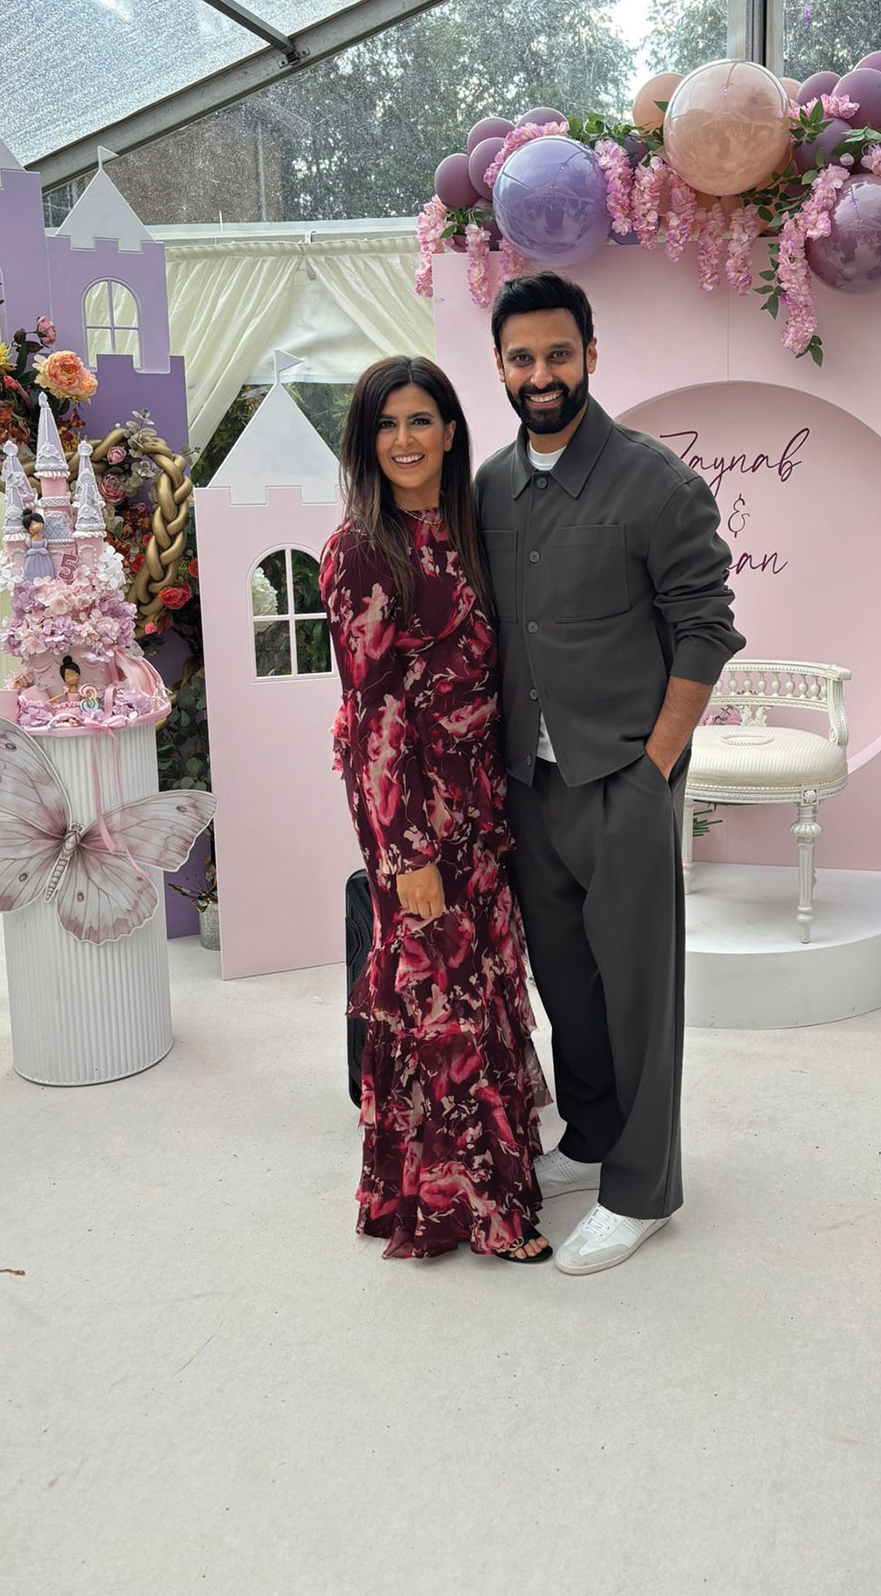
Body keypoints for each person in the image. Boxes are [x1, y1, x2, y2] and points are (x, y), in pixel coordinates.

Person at [476, 272, 745, 1275]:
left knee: (639, 992)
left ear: (590, 353)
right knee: (566, 982)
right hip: (528, 784)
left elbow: (706, 630)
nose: (540, 375)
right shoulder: (490, 487)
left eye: (557, 354)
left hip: (622, 778)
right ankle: (588, 1136)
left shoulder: (656, 483)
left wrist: (656, 766)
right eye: (520, 358)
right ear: (500, 367)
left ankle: (644, 1190)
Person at [319, 355, 552, 1263]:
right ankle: (479, 1212)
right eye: (387, 426)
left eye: (421, 421)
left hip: (481, 804)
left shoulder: (464, 533)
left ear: (452, 432)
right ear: (366, 443)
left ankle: (487, 1177)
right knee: (439, 997)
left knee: (483, 984)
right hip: (410, 809)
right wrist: (407, 848)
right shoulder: (360, 550)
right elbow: (373, 711)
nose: (405, 441)